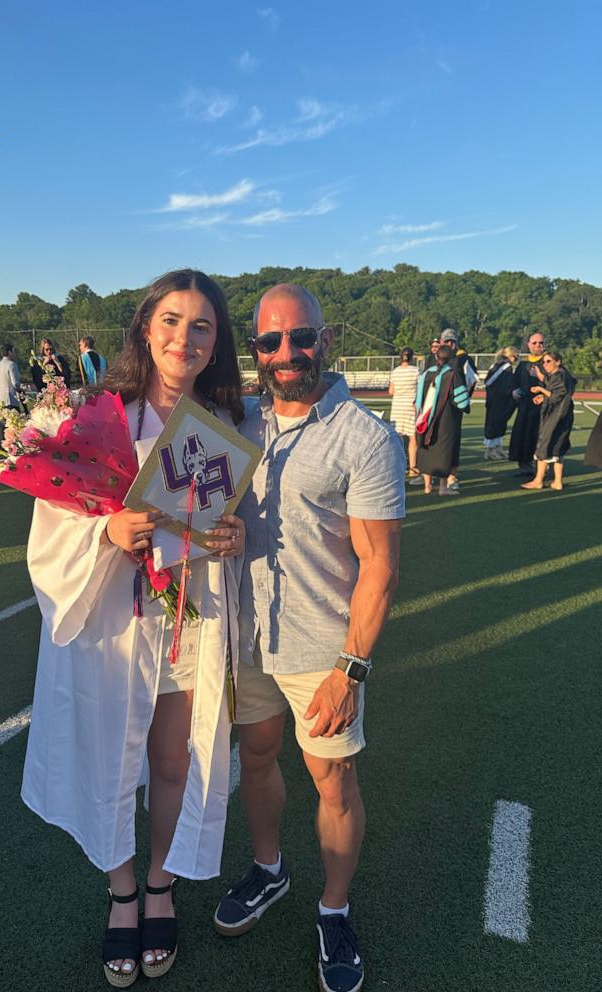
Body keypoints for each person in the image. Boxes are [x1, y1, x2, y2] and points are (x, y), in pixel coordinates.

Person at [21, 270, 246, 987]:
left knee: (173, 761)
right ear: (147, 328)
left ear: (215, 346)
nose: (185, 337)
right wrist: (107, 530)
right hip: (114, 628)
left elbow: (220, 526)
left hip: (185, 620)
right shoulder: (95, 416)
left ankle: (159, 883)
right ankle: (122, 894)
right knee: (112, 762)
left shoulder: (221, 427)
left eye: (202, 326)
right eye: (173, 321)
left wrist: (230, 539)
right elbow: (52, 522)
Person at [212, 284, 405, 992]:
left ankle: (334, 908)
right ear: (256, 349)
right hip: (247, 633)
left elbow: (380, 568)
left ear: (326, 339)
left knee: (334, 781)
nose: (285, 353)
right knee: (257, 758)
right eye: (269, 341)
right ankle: (270, 870)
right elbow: (217, 518)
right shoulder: (239, 424)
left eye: (300, 337)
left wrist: (350, 670)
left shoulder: (367, 438)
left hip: (321, 647)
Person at [415, 345, 471, 495]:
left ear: (436, 357)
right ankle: (443, 488)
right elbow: (462, 402)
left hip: (425, 418)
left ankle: (427, 486)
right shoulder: (452, 374)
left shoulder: (425, 374)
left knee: (426, 447)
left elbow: (418, 399)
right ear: (452, 358)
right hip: (445, 420)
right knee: (443, 451)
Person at [521, 351, 576, 491]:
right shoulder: (561, 375)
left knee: (544, 446)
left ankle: (538, 480)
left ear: (558, 362)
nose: (545, 364)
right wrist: (543, 397)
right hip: (563, 416)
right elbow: (556, 394)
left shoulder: (560, 376)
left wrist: (540, 389)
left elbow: (556, 395)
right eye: (544, 362)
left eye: (548, 361)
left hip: (556, 417)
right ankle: (557, 482)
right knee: (557, 448)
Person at [509, 332, 546, 475]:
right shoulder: (523, 365)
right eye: (534, 343)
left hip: (542, 408)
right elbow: (513, 382)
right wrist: (513, 392)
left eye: (540, 342)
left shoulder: (548, 362)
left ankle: (542, 468)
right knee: (522, 435)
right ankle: (524, 465)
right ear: (528, 344)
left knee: (540, 437)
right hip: (524, 407)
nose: (537, 345)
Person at [388, 346, 420, 476]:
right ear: (412, 357)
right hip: (411, 407)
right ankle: (413, 468)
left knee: (398, 438)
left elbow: (391, 391)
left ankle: (399, 466)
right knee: (413, 439)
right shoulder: (416, 371)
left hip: (397, 407)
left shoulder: (395, 372)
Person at [483, 347, 518, 459]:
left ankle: (498, 447)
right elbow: (492, 383)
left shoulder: (496, 365)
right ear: (511, 355)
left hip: (496, 399)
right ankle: (489, 450)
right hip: (497, 400)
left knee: (500, 424)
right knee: (494, 424)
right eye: (515, 356)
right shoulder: (506, 367)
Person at [0, 343, 22, 442]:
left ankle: (2, 446)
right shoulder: (12, 365)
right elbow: (15, 383)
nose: (14, 354)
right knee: (13, 427)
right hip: (10, 400)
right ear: (9, 352)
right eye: (13, 351)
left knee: (2, 428)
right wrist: (23, 389)